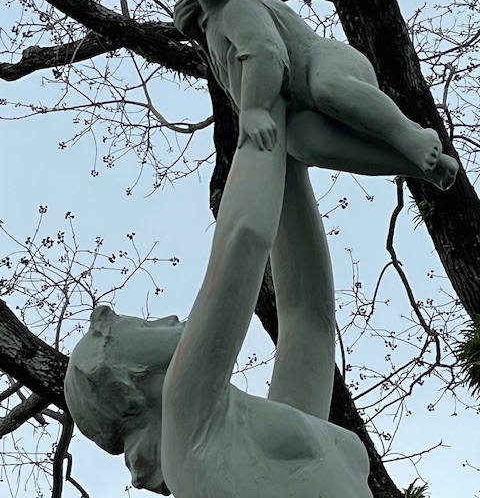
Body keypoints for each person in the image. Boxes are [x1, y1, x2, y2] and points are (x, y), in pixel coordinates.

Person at [64, 110, 374, 497]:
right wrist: (260, 110)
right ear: (126, 382)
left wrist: (291, 162)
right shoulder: (188, 429)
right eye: (144, 325)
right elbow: (243, 238)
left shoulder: (259, 435)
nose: (167, 317)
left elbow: (308, 317)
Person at [165, 0, 458, 190]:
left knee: (327, 87)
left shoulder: (239, 6)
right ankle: (417, 166)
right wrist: (200, 35)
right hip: (297, 101)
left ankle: (410, 135)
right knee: (302, 142)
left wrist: (254, 110)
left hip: (323, 62)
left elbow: (266, 53)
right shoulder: (213, 22)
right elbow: (233, 77)